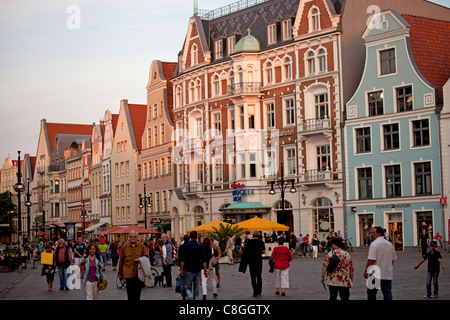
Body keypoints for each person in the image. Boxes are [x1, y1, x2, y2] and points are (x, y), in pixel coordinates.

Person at [364, 226, 397, 300]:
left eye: (373, 233)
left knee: (371, 294)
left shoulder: (374, 244)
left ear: (379, 233)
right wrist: (388, 265)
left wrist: (366, 270)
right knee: (387, 293)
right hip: (387, 272)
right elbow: (393, 259)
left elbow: (371, 260)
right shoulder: (389, 244)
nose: (372, 234)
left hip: (375, 272)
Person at [118, 230, 149, 300]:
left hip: (138, 274)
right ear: (129, 237)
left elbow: (146, 257)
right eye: (131, 237)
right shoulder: (125, 247)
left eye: (134, 236)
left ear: (137, 237)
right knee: (130, 294)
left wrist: (140, 260)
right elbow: (121, 260)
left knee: (137, 294)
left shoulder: (141, 246)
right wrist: (120, 273)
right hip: (128, 274)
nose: (133, 238)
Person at [179, 231, 208, 300]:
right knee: (196, 288)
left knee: (188, 287)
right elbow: (204, 260)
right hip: (197, 269)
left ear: (190, 237)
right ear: (197, 237)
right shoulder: (200, 246)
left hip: (188, 269)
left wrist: (181, 270)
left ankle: (190, 298)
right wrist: (205, 270)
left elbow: (183, 259)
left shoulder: (186, 246)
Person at [239, 230, 266, 297]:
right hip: (259, 261)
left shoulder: (248, 242)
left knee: (253, 276)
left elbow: (245, 252)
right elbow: (263, 252)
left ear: (253, 235)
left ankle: (255, 291)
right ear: (258, 235)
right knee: (259, 276)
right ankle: (259, 290)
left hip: (251, 261)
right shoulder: (261, 242)